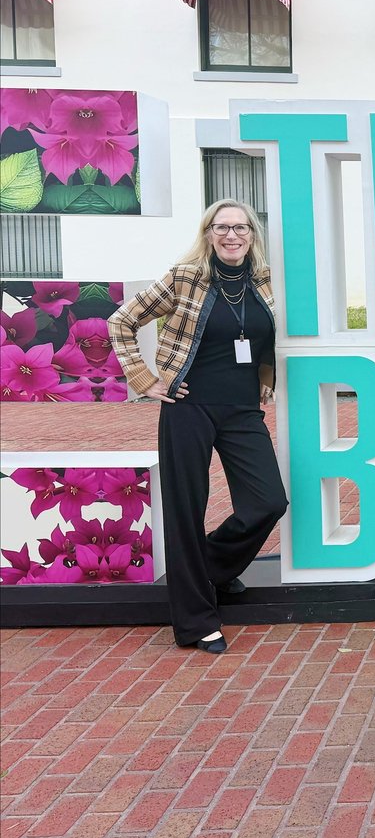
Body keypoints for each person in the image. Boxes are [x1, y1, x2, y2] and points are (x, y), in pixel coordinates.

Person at [109, 200, 287, 654]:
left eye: (241, 228)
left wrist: (266, 380)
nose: (232, 235)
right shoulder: (185, 278)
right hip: (189, 406)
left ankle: (209, 569)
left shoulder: (263, 282)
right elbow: (122, 321)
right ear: (208, 233)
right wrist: (145, 380)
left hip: (243, 409)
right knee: (187, 510)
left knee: (268, 501)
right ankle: (195, 623)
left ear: (252, 235)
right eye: (222, 227)